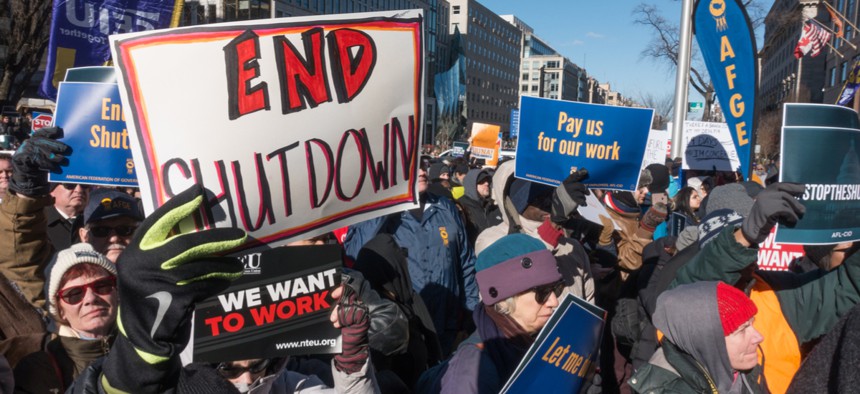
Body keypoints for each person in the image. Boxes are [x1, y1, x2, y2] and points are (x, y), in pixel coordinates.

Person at [70, 185, 379, 393]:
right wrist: (139, 355)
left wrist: (352, 364)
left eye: (258, 366)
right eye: (226, 369)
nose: (245, 383)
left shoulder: (293, 385)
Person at [671, 182, 860, 393]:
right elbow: (690, 288)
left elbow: (848, 285)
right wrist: (744, 237)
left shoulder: (777, 292)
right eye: (742, 245)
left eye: (755, 244)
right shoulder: (685, 305)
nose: (751, 252)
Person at [345, 165, 478, 357]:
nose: (422, 172)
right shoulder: (378, 213)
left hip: (448, 325)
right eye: (413, 167)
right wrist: (387, 204)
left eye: (423, 166)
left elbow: (465, 264)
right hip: (407, 329)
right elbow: (356, 254)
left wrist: (469, 314)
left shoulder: (445, 207)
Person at [434, 234, 564, 393]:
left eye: (556, 289)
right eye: (542, 292)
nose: (554, 302)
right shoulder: (472, 371)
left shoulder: (546, 340)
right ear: (505, 299)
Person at [474, 160, 594, 304]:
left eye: (552, 196)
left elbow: (588, 302)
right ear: (514, 203)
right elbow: (517, 273)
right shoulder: (490, 239)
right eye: (539, 199)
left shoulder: (572, 246)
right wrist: (553, 224)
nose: (548, 205)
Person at [13, 243, 118, 393]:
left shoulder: (148, 339)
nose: (90, 298)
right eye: (74, 294)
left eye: (102, 286)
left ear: (117, 291)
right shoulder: (39, 369)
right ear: (60, 310)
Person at [628, 281, 766, 393]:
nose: (759, 337)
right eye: (742, 330)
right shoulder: (668, 389)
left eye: (752, 324)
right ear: (706, 341)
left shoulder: (736, 368)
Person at [77, 187, 144, 263]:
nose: (114, 238)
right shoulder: (72, 273)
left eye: (125, 229)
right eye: (101, 230)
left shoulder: (153, 273)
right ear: (84, 236)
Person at [457, 168, 502, 245]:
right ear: (472, 185)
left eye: (488, 180)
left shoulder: (493, 206)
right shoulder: (461, 207)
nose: (487, 183)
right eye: (481, 181)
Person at [45, 182, 89, 250]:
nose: (79, 190)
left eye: (84, 185)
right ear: (52, 191)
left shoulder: (96, 223)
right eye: (69, 185)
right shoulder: (38, 223)